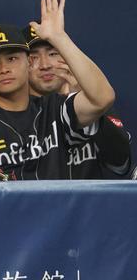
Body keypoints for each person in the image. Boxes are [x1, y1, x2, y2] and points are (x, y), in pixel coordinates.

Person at [0, 0, 115, 182]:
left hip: (57, 211)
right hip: (1, 212)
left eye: (12, 59)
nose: (4, 69)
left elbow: (102, 97)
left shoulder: (55, 109)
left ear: (28, 63)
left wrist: (59, 38)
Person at [23, 24, 132, 178]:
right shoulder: (15, 113)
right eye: (33, 57)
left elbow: (120, 164)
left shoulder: (95, 101)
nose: (45, 65)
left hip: (90, 201)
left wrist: (89, 108)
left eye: (53, 54)